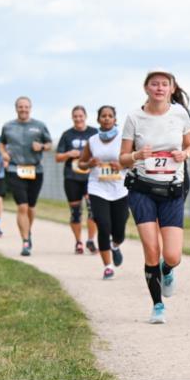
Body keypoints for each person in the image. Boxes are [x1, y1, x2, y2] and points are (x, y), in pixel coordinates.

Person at [119, 70, 190, 324]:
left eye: (165, 84)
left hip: (172, 189)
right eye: (155, 84)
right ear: (146, 88)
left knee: (173, 256)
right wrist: (137, 156)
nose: (159, 88)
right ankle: (157, 305)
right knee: (151, 250)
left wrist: (185, 155)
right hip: (142, 189)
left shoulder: (179, 114)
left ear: (172, 88)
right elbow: (122, 159)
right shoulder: (134, 117)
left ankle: (167, 270)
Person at [78, 106, 129, 279]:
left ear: (115, 119)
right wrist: (90, 163)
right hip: (97, 188)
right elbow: (81, 164)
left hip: (120, 189)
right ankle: (107, 267)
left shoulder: (124, 139)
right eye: (103, 116)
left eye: (110, 116)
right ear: (98, 119)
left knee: (119, 230)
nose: (107, 118)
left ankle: (115, 245)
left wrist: (122, 165)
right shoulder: (92, 141)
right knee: (103, 225)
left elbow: (134, 162)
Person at [0, 96, 53, 256]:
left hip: (35, 170)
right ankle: (25, 241)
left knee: (31, 207)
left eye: (26, 107)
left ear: (30, 108)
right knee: (22, 206)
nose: (23, 109)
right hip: (15, 170)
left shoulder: (39, 126)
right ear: (16, 108)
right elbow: (1, 143)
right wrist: (3, 154)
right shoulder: (8, 126)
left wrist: (42, 146)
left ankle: (28, 231)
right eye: (20, 107)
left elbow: (49, 144)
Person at [55, 106, 99, 254]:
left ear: (85, 116)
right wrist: (69, 153)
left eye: (81, 116)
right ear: (72, 118)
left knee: (93, 210)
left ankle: (91, 240)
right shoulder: (67, 135)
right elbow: (57, 157)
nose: (78, 119)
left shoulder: (94, 133)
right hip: (72, 177)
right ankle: (78, 242)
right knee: (75, 212)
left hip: (90, 177)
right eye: (75, 116)